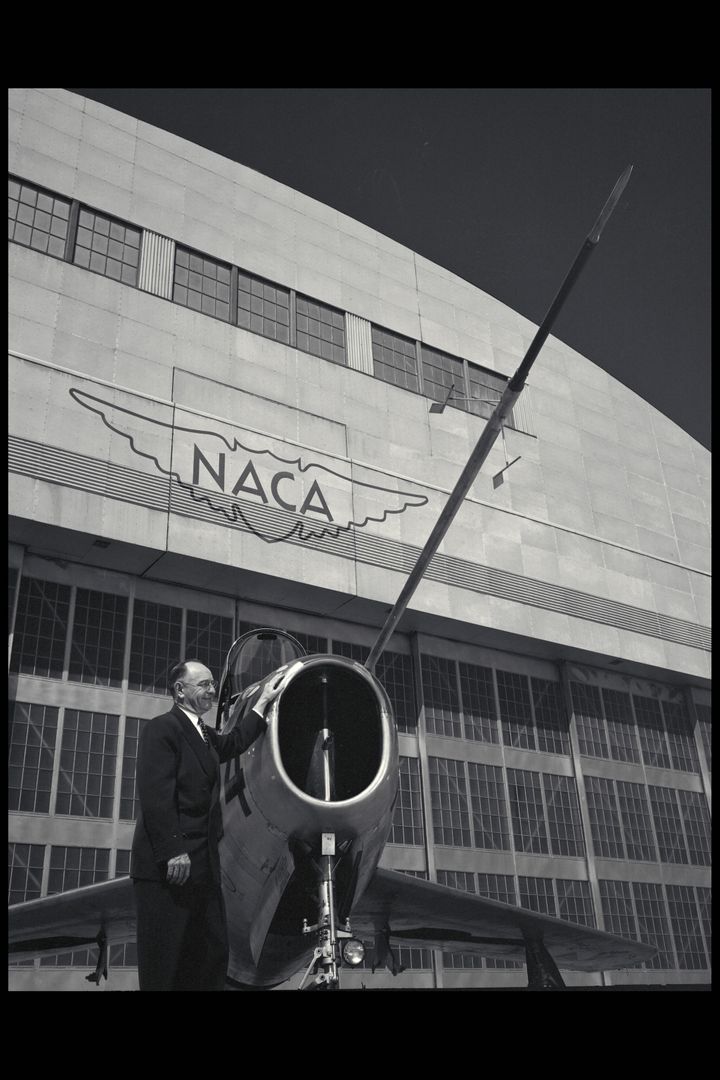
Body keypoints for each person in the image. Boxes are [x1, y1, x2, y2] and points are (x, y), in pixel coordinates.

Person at [131, 657, 291, 991]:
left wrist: (262, 704)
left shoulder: (203, 735)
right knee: (166, 963)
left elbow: (234, 742)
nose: (212, 690)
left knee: (209, 957)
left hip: (203, 869)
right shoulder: (163, 729)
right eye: (203, 684)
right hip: (169, 870)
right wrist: (172, 849)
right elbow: (156, 795)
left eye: (213, 684)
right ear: (179, 690)